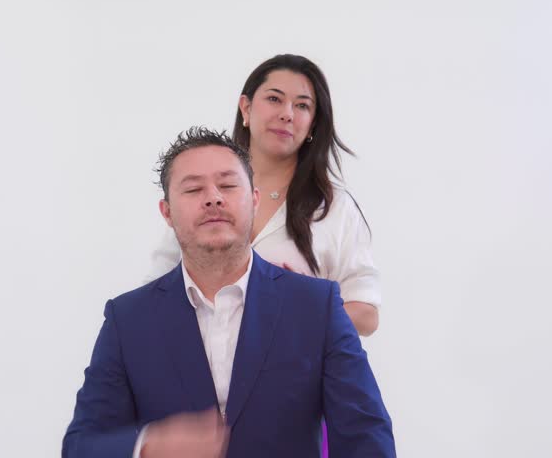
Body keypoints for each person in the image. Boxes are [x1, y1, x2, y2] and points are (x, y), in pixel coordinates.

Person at [62, 128, 395, 457]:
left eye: (228, 185)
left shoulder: (316, 305)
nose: (213, 198)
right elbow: (80, 446)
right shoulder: (127, 319)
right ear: (167, 212)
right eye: (193, 189)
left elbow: (366, 435)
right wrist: (147, 447)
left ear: (254, 200)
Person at [148, 54, 381, 337]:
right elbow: (154, 292)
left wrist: (301, 303)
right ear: (246, 108)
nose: (287, 114)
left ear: (313, 124)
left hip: (294, 361)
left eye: (302, 105)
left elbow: (367, 315)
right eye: (274, 99)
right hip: (200, 358)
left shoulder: (334, 208)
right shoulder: (204, 196)